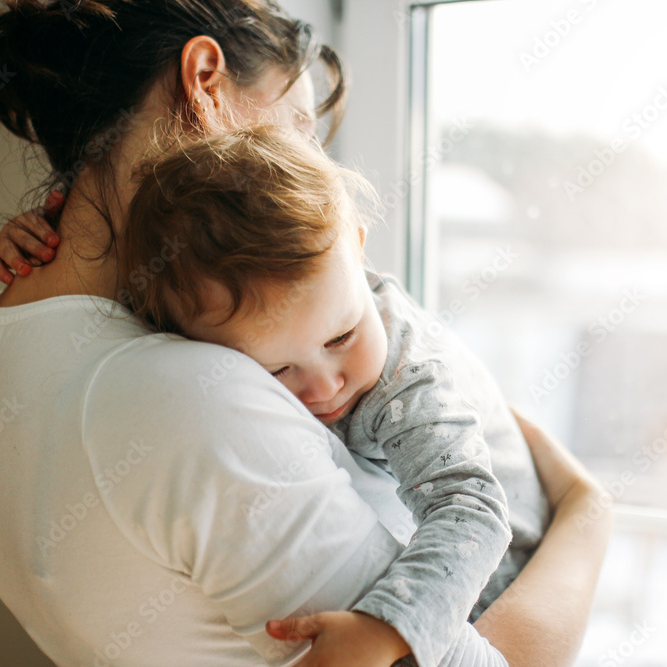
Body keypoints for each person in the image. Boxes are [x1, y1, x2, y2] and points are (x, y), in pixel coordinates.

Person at [0, 1, 612, 665]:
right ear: (205, 83)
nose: (307, 166)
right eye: (299, 125)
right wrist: (587, 515)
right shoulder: (187, 392)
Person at [111, 124, 549, 666]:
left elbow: (473, 510)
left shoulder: (406, 380)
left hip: (504, 570)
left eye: (341, 337)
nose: (324, 386)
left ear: (360, 254)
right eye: (275, 371)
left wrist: (384, 626)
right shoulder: (213, 318)